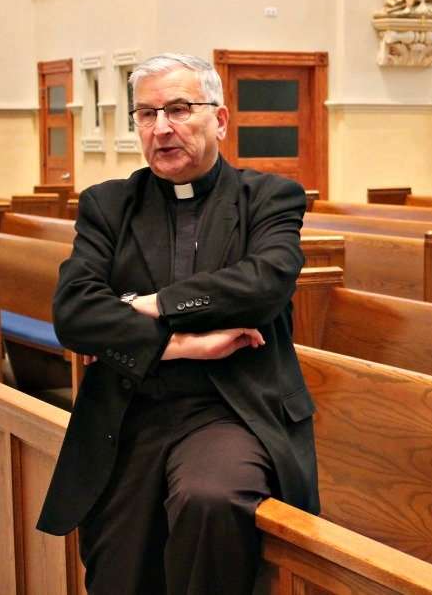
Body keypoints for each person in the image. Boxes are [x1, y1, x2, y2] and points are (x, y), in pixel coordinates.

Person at [36, 53, 319, 595]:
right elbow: (73, 313)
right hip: (131, 408)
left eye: (179, 109)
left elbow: (262, 285)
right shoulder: (108, 205)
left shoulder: (268, 197)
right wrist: (184, 346)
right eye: (147, 114)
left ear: (220, 119)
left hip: (233, 410)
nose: (162, 128)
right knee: (119, 563)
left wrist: (150, 304)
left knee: (210, 499)